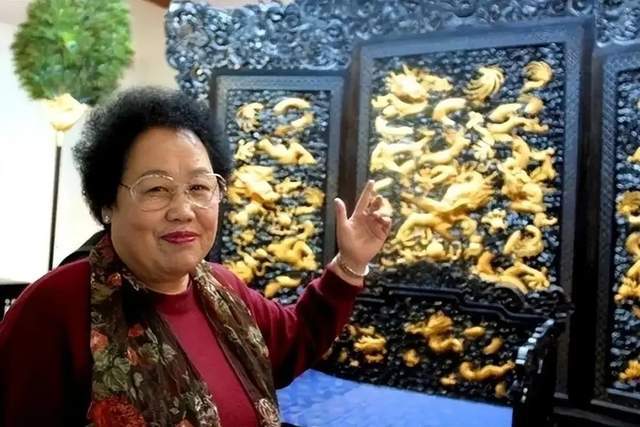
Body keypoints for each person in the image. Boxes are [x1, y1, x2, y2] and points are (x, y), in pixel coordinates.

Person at [0, 87, 392, 426]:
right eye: (156, 189)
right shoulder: (56, 307)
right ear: (107, 203)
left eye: (199, 187)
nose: (183, 210)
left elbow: (295, 339)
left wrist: (350, 263)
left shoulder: (224, 289)